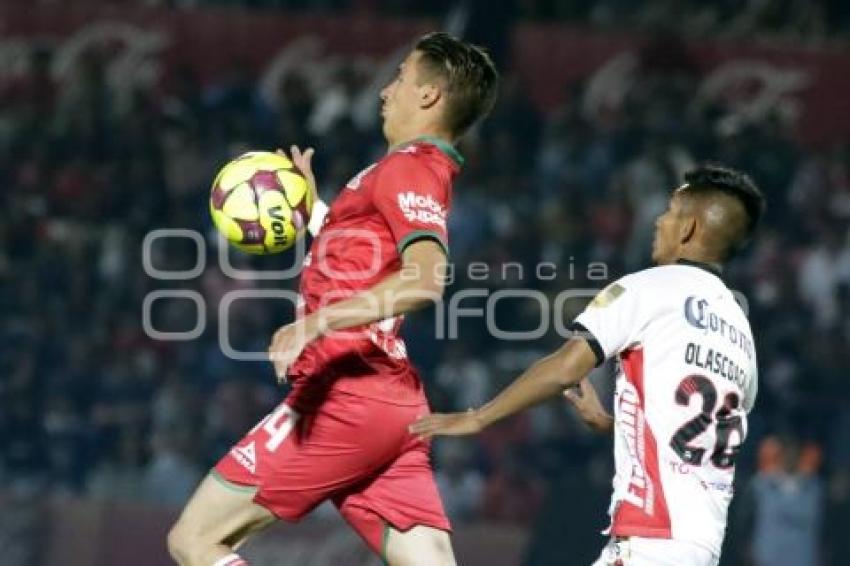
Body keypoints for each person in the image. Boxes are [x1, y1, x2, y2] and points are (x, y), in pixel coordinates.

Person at [166, 32, 498, 566]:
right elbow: (367, 260)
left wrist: (314, 325)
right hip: (393, 408)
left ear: (431, 96)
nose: (386, 91)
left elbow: (424, 280)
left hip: (344, 398)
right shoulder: (405, 170)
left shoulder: (409, 168)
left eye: (400, 78)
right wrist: (318, 211)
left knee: (194, 540)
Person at [411, 165, 765, 566]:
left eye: (669, 213)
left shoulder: (650, 287)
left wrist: (478, 419)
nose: (658, 222)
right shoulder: (740, 331)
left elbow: (565, 367)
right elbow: (698, 442)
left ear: (688, 228)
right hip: (701, 544)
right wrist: (615, 428)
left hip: (651, 536)